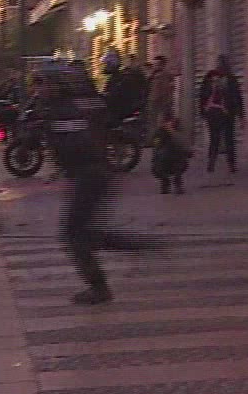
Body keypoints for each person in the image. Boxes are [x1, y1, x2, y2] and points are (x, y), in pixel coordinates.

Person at [43, 63, 161, 304]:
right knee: (83, 232)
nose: (40, 89)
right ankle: (135, 245)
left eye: (45, 83)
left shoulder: (66, 110)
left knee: (74, 234)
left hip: (88, 175)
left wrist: (65, 163)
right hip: (93, 174)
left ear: (59, 85)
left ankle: (100, 287)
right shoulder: (87, 103)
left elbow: (75, 144)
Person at [198, 57, 244, 176]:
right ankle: (213, 162)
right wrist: (203, 111)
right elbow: (202, 95)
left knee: (227, 139)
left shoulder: (231, 79)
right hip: (214, 113)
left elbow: (237, 97)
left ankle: (229, 164)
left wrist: (240, 115)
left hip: (226, 113)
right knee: (216, 138)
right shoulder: (210, 77)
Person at [150, 113, 191, 194]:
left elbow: (183, 142)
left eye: (169, 121)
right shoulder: (159, 132)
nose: (167, 124)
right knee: (159, 164)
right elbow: (156, 145)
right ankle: (165, 182)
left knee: (179, 161)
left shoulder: (177, 129)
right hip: (163, 158)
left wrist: (172, 132)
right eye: (165, 122)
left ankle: (177, 183)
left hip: (177, 157)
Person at [146, 56, 176, 130]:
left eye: (156, 64)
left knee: (160, 126)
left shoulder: (166, 75)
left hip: (161, 104)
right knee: (152, 125)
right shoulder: (152, 75)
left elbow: (168, 90)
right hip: (153, 103)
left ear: (162, 65)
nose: (154, 66)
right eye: (154, 64)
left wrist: (167, 104)